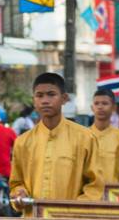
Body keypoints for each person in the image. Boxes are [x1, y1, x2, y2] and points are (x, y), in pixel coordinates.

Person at [8, 72, 104, 205]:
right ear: (33, 100)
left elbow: (95, 186)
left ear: (64, 99)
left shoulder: (85, 138)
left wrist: (73, 211)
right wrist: (19, 194)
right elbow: (16, 184)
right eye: (39, 95)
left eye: (51, 94)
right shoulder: (22, 142)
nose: (45, 101)